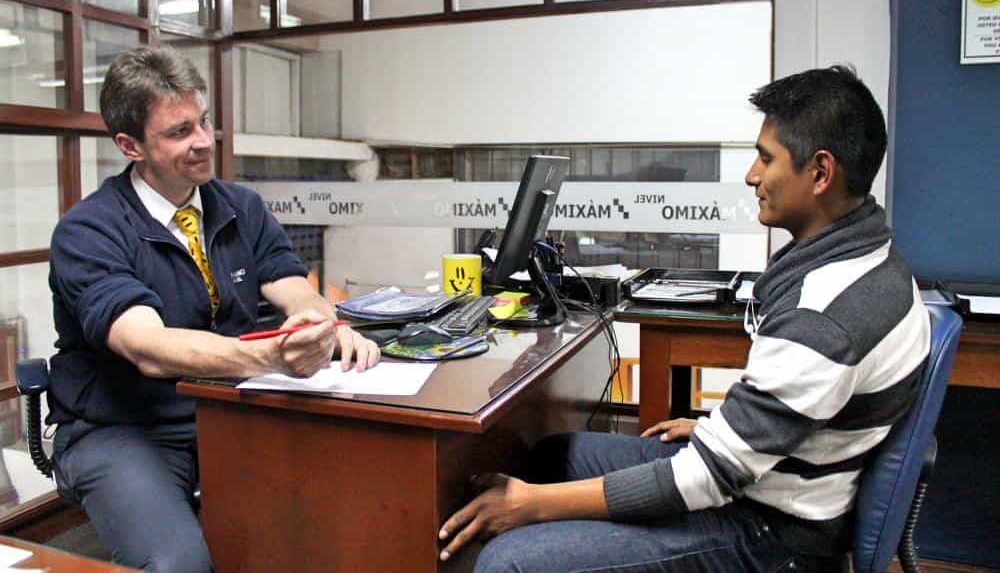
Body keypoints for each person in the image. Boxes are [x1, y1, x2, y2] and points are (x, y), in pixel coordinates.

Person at [438, 65, 931, 572]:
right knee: (554, 458)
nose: (751, 175)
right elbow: (799, 412)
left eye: (766, 158)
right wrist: (723, 430)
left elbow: (706, 478)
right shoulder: (875, 263)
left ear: (821, 173)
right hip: (772, 481)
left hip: (771, 534)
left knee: (507, 562)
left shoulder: (825, 315)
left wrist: (532, 507)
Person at [47, 46, 380, 572]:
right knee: (180, 564)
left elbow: (290, 283)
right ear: (129, 145)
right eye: (179, 132)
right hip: (124, 427)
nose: (203, 142)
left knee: (339, 518)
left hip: (227, 409)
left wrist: (322, 325)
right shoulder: (89, 231)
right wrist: (275, 358)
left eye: (203, 122)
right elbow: (149, 348)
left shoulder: (239, 206)